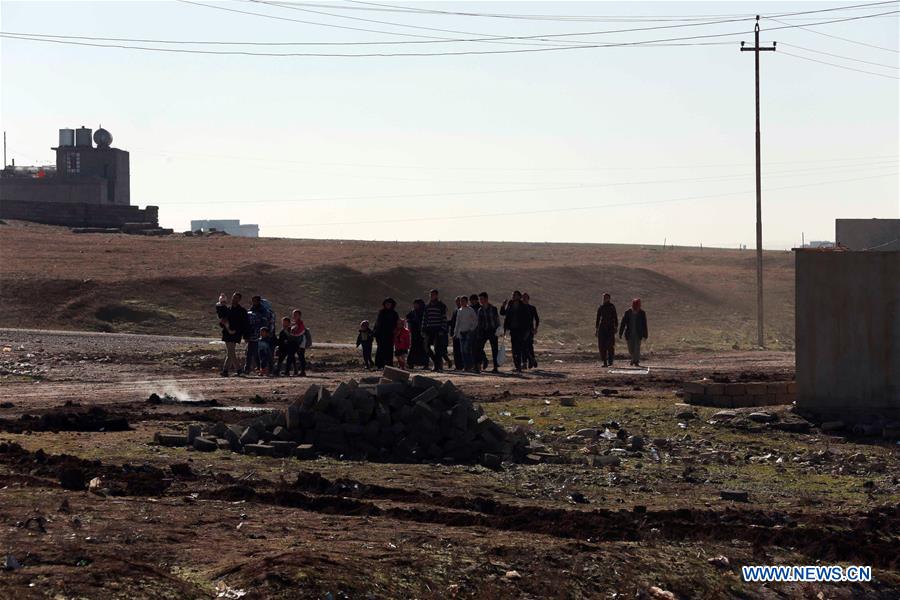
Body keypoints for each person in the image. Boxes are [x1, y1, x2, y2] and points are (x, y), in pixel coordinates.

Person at [501, 290, 531, 372]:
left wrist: (528, 331)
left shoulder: (523, 306)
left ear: (519, 296)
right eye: (513, 295)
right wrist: (503, 305)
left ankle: (519, 366)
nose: (513, 296)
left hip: (521, 330)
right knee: (514, 349)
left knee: (519, 348)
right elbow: (503, 313)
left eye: (515, 295)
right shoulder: (510, 304)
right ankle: (517, 366)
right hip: (513, 330)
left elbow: (528, 320)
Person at [218, 292, 246, 377]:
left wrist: (242, 333)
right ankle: (227, 370)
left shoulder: (242, 311)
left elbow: (243, 323)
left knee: (231, 352)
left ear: (239, 299)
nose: (234, 299)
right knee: (230, 352)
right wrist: (223, 323)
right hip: (227, 333)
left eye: (236, 298)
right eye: (233, 297)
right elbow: (223, 321)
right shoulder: (227, 309)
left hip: (235, 334)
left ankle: (237, 370)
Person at [422, 289, 449, 372]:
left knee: (437, 348)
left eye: (433, 295)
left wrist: (442, 329)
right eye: (430, 295)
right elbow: (424, 318)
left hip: (438, 329)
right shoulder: (427, 306)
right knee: (426, 347)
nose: (432, 296)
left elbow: (444, 318)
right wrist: (423, 328)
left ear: (437, 295)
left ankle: (437, 366)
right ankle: (436, 362)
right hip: (429, 329)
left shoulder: (441, 305)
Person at [475, 292, 500, 374]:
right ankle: (478, 366)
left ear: (486, 299)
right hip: (483, 331)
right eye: (479, 299)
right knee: (479, 348)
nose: (480, 301)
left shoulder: (493, 308)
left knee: (494, 349)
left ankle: (495, 367)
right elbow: (479, 322)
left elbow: (497, 320)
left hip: (492, 331)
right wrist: (479, 332)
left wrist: (498, 330)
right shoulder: (480, 310)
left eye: (481, 299)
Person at [619, 298, 649, 367]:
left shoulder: (642, 313)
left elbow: (644, 324)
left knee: (637, 348)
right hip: (629, 334)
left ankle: (636, 361)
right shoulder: (627, 312)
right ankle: (633, 359)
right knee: (630, 349)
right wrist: (620, 333)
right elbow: (623, 323)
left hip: (638, 334)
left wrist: (645, 335)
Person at [243, 296, 268, 375]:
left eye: (254, 301)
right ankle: (248, 369)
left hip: (259, 335)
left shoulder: (263, 311)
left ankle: (261, 368)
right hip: (252, 335)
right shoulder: (252, 309)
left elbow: (264, 322)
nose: (253, 302)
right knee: (250, 353)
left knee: (258, 353)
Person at [454, 295, 478, 371]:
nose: (462, 302)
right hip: (461, 332)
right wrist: (455, 333)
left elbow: (475, 320)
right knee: (462, 350)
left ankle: (470, 365)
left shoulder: (470, 310)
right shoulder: (459, 310)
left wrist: (472, 329)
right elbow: (457, 323)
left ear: (466, 302)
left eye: (463, 301)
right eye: (461, 301)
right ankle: (466, 366)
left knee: (466, 349)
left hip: (468, 332)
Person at [373, 298, 399, 368]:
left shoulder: (394, 314)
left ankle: (389, 365)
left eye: (389, 304)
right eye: (386, 304)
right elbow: (377, 323)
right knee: (380, 349)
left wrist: (395, 331)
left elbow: (397, 324)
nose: (388, 305)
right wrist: (375, 332)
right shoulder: (381, 312)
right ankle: (379, 364)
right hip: (381, 334)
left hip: (390, 334)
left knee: (389, 349)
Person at [596, 293, 619, 367]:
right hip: (602, 328)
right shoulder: (601, 307)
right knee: (602, 345)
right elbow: (598, 318)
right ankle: (604, 362)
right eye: (604, 298)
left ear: (609, 298)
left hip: (610, 328)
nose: (605, 299)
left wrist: (616, 326)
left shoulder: (612, 307)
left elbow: (615, 317)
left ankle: (610, 361)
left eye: (606, 298)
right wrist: (597, 329)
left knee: (609, 345)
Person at [405, 299, 427, 369]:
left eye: (416, 304)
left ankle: (425, 363)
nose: (415, 306)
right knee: (413, 348)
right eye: (414, 304)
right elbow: (408, 317)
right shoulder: (413, 312)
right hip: (414, 333)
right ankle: (411, 363)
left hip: (422, 333)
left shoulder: (424, 312)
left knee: (423, 348)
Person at [522, 292, 540, 369]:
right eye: (523, 298)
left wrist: (535, 328)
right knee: (524, 346)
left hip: (529, 330)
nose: (524, 299)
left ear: (528, 299)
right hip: (521, 330)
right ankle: (530, 360)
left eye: (525, 298)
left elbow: (537, 319)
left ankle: (529, 361)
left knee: (528, 346)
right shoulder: (520, 308)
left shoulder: (532, 308)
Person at [291, 309, 308, 377]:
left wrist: (292, 334)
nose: (294, 316)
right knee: (292, 356)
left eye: (296, 315)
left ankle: (302, 371)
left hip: (301, 343)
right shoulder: (294, 323)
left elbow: (299, 333)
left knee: (301, 357)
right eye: (294, 315)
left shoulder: (300, 323)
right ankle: (296, 370)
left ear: (299, 316)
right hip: (296, 343)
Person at [449, 296, 463, 370]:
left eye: (459, 301)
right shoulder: (455, 310)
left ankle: (462, 365)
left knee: (461, 350)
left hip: (462, 333)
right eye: (457, 301)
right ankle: (458, 366)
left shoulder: (464, 310)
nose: (458, 303)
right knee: (456, 350)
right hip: (455, 333)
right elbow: (452, 322)